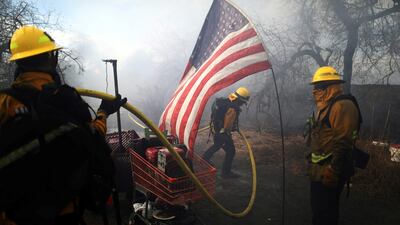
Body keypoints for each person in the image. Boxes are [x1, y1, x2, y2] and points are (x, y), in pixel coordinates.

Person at [0, 25, 126, 225]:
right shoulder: (66, 100)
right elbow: (91, 138)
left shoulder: (4, 102)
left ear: (18, 62)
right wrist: (103, 112)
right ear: (52, 58)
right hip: (64, 214)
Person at [307, 66, 360, 225]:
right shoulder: (326, 105)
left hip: (331, 170)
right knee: (318, 209)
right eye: (315, 87)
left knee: (326, 213)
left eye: (319, 87)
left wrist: (333, 170)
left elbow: (343, 142)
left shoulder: (342, 106)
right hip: (319, 169)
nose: (315, 91)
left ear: (331, 87)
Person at [202, 87, 250, 178]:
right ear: (240, 100)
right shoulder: (233, 108)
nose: (243, 104)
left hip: (216, 129)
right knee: (231, 151)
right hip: (222, 133)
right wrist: (231, 129)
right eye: (243, 102)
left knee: (217, 145)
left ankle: (204, 159)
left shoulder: (225, 101)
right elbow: (227, 125)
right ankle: (226, 173)